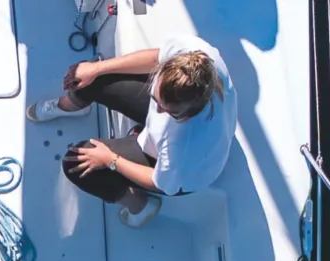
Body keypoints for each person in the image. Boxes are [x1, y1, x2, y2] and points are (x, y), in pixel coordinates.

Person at [29, 37, 239, 227]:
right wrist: (97, 68)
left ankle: (140, 206)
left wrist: (110, 160)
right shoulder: (197, 57)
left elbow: (161, 183)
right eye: (155, 99)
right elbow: (155, 57)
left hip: (178, 174)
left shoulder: (183, 143)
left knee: (75, 164)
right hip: (168, 133)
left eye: (168, 111)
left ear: (188, 113)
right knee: (95, 76)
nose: (157, 110)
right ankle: (71, 106)